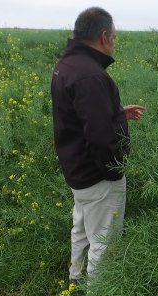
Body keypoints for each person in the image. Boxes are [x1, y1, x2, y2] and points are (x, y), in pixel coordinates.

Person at [51, 7, 145, 282]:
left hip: (77, 170)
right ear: (104, 36)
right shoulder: (90, 75)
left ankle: (75, 277)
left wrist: (115, 113)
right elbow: (101, 138)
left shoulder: (67, 65)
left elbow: (82, 117)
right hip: (97, 177)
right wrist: (114, 174)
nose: (114, 42)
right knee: (104, 245)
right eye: (114, 37)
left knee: (81, 226)